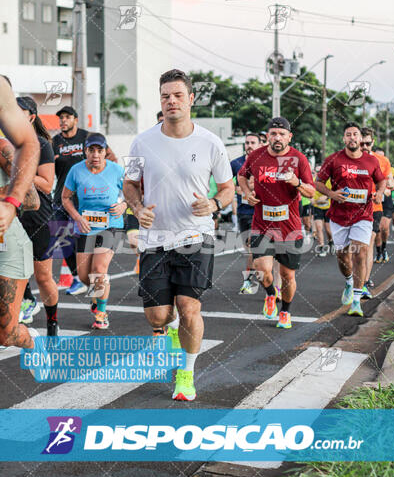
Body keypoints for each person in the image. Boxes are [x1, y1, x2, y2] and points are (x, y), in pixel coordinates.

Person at [123, 68, 234, 401]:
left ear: (191, 100)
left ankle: (185, 374)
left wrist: (214, 203)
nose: (171, 101)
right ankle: (169, 329)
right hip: (155, 238)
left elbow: (228, 189)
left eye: (177, 95)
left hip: (195, 237)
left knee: (189, 307)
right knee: (159, 315)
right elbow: (129, 184)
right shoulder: (142, 141)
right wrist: (137, 206)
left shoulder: (210, 143)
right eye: (165, 96)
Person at [238, 116, 315, 329]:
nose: (277, 137)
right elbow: (241, 175)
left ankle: (285, 312)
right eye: (273, 133)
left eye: (282, 134)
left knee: (287, 275)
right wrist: (246, 192)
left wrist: (297, 182)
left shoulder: (299, 159)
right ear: (267, 136)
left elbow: (311, 191)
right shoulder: (256, 156)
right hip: (262, 224)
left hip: (289, 227)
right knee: (261, 269)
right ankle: (271, 295)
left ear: (289, 137)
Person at [316, 123, 385, 317]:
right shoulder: (333, 160)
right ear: (344, 139)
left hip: (363, 215)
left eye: (356, 134)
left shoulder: (371, 161)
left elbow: (381, 180)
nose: (352, 138)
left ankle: (356, 300)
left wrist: (379, 192)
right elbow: (318, 183)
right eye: (349, 135)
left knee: (360, 252)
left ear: (360, 139)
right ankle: (348, 281)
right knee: (343, 256)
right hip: (339, 216)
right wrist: (332, 194)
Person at [62, 133, 126, 329]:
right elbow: (65, 198)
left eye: (100, 150)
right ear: (85, 152)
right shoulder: (76, 171)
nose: (96, 155)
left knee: (99, 270)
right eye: (92, 150)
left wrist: (123, 205)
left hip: (111, 225)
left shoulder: (116, 170)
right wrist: (78, 218)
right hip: (86, 226)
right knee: (84, 276)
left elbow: (133, 194)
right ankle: (97, 299)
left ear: (106, 151)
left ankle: (101, 313)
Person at [52, 106, 117, 295]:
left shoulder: (88, 137)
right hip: (62, 196)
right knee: (62, 237)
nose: (63, 120)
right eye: (61, 118)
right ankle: (76, 277)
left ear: (75, 119)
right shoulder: (55, 142)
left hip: (86, 198)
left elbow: (110, 157)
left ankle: (98, 274)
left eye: (67, 117)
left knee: (85, 238)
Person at [0, 75, 40, 350]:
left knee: (6, 334)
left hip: (7, 246)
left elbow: (32, 199)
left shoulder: (3, 148)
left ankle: (33, 342)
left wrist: (8, 201)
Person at [16, 97, 59, 335]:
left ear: (31, 117)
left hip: (39, 218)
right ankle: (21, 309)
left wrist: (18, 169)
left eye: (18, 112)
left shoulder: (41, 145)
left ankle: (52, 322)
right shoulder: (8, 144)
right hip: (13, 218)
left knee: (43, 277)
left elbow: (46, 183)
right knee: (10, 273)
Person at [360, 129, 393, 298]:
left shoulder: (382, 160)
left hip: (374, 208)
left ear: (372, 142)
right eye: (362, 143)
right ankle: (352, 279)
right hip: (351, 210)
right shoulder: (347, 159)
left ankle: (364, 284)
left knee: (367, 244)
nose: (364, 147)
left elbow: (390, 183)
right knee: (352, 249)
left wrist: (385, 190)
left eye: (368, 143)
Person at [230, 132, 262, 293]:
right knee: (250, 250)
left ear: (259, 144)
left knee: (255, 248)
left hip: (261, 212)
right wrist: (241, 188)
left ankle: (251, 281)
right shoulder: (236, 163)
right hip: (244, 212)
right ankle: (253, 279)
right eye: (247, 143)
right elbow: (226, 184)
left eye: (253, 143)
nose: (249, 145)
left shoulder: (264, 162)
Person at [374, 147, 394, 263]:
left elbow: (392, 183)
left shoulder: (388, 168)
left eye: (382, 156)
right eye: (378, 156)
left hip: (386, 200)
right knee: (377, 229)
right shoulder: (370, 166)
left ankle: (384, 248)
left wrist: (389, 186)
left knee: (385, 228)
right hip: (375, 200)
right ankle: (378, 252)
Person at [311, 164, 333, 257]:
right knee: (319, 227)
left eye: (321, 171)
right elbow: (309, 191)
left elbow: (333, 192)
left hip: (328, 208)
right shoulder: (312, 180)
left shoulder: (329, 181)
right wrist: (311, 199)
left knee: (328, 230)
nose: (319, 173)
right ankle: (322, 247)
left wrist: (327, 196)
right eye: (317, 171)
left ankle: (331, 241)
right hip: (317, 207)